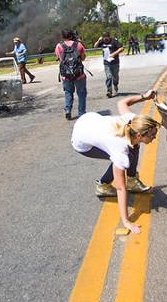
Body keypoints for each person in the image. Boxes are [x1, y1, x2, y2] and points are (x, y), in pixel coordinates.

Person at [71, 90, 159, 234]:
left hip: (89, 120)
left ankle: (131, 180)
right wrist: (126, 221)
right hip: (81, 141)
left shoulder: (133, 121)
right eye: (152, 135)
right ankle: (103, 186)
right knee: (125, 158)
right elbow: (120, 188)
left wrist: (144, 97)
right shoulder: (119, 147)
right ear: (139, 134)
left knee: (133, 148)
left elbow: (122, 103)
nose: (154, 138)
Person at [56, 29, 87, 120]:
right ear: (71, 36)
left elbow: (59, 58)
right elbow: (83, 58)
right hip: (79, 74)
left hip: (66, 75)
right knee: (81, 93)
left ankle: (68, 110)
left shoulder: (59, 46)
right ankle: (81, 113)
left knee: (68, 92)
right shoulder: (78, 44)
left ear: (62, 36)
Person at [94, 32, 123, 97]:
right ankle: (109, 90)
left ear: (109, 37)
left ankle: (115, 84)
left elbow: (121, 48)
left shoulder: (114, 41)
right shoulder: (101, 42)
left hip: (115, 63)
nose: (105, 39)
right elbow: (95, 46)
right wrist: (98, 40)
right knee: (109, 76)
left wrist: (114, 54)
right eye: (104, 37)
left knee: (115, 77)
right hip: (106, 63)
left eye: (106, 37)